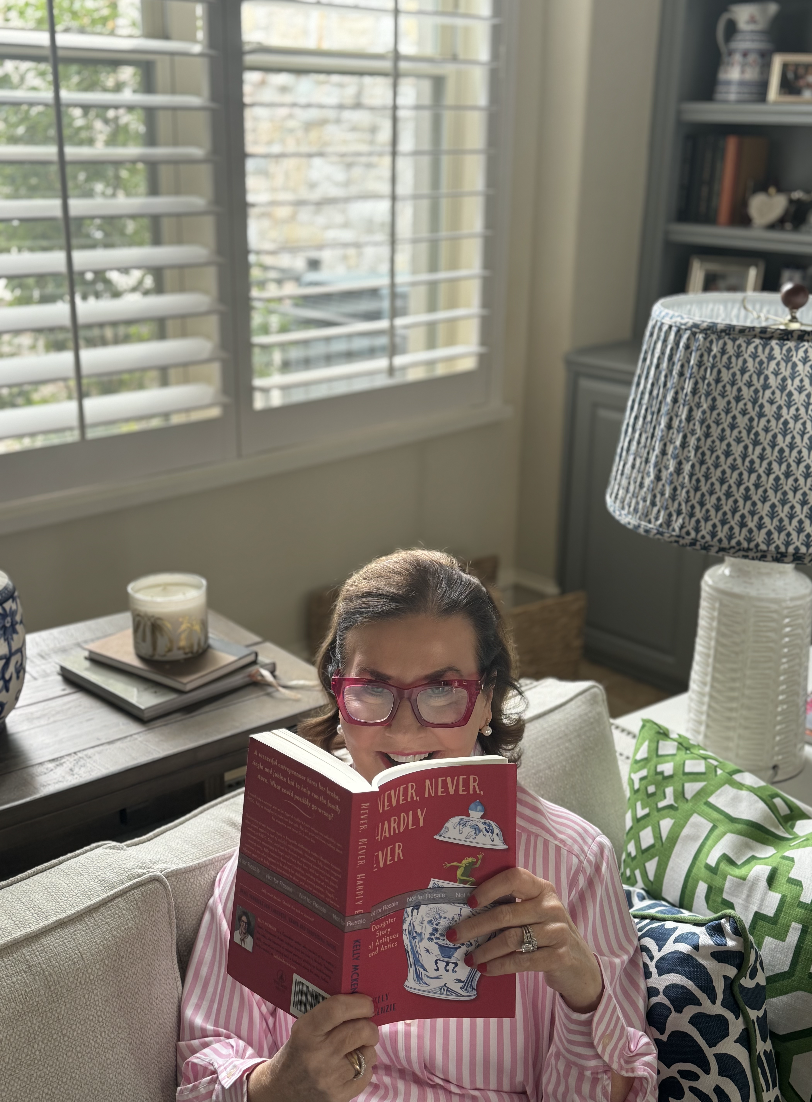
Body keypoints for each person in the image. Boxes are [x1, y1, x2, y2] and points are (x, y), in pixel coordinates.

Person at [177, 550, 657, 1102]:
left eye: (441, 690)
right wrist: (276, 1085)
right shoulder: (271, 861)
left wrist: (583, 989)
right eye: (373, 690)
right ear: (339, 696)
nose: (405, 730)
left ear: (488, 701)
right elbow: (197, 1079)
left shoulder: (575, 863)